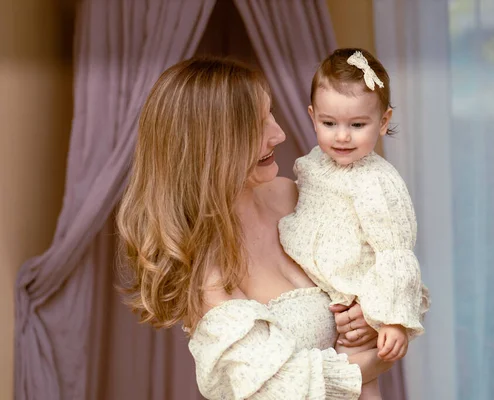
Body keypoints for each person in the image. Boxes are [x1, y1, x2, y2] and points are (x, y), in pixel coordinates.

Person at [116, 56, 397, 399]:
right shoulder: (209, 271)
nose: (279, 134)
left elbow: (384, 264)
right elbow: (278, 388)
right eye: (257, 124)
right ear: (211, 144)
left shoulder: (299, 194)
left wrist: (372, 314)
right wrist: (378, 359)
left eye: (270, 114)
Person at [279, 48, 431, 400]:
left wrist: (391, 318)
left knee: (357, 382)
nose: (342, 137)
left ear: (383, 120)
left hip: (358, 300)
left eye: (357, 125)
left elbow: (395, 254)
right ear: (312, 116)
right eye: (329, 123)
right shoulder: (313, 164)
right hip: (321, 294)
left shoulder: (378, 184)